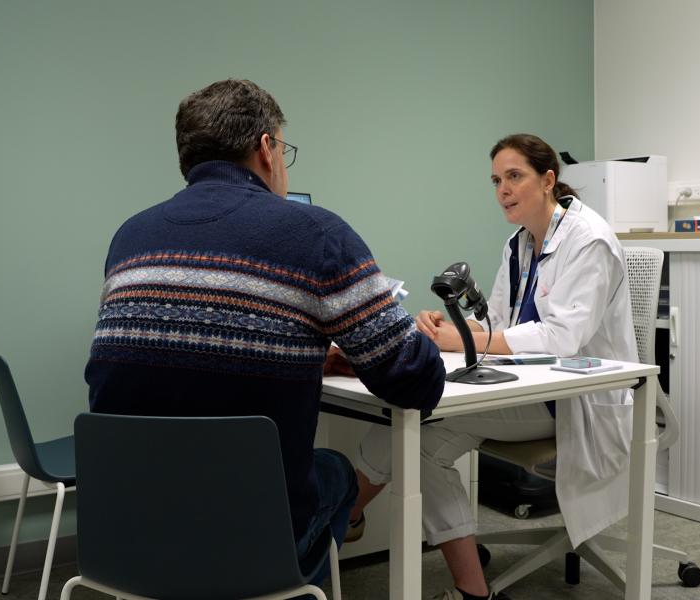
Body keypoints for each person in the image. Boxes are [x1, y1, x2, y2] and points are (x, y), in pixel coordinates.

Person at [84, 79, 446, 585]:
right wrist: (424, 337)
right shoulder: (315, 234)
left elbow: (160, 363)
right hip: (253, 537)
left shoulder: (130, 237)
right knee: (337, 472)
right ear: (266, 149)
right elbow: (416, 381)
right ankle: (285, 589)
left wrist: (300, 354)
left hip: (129, 531)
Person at [348, 133, 637, 600]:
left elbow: (563, 337)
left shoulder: (590, 242)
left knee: (413, 427)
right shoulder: (518, 242)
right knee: (410, 439)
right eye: (496, 180)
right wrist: (454, 324)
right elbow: (500, 325)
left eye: (514, 176)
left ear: (548, 180)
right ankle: (471, 588)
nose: (503, 189)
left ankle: (343, 521)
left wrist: (469, 339)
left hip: (573, 399)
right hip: (525, 388)